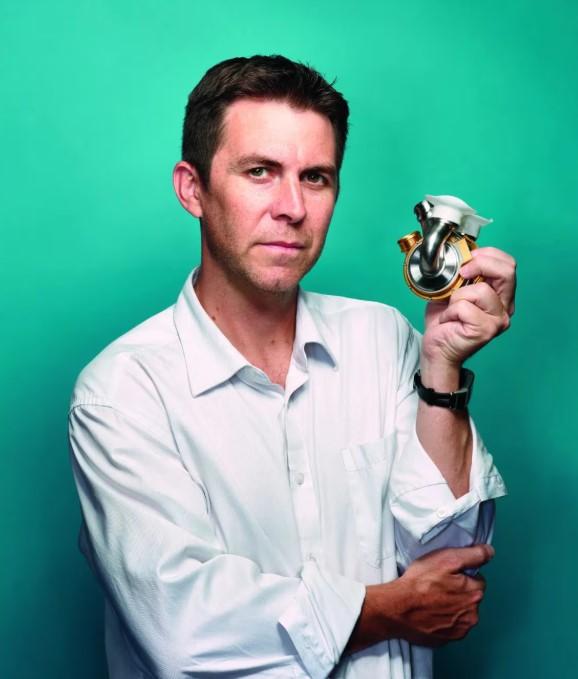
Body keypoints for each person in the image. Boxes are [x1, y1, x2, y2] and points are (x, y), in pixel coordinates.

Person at [68, 55, 516, 679]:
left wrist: (441, 367)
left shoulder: (384, 338)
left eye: (315, 178)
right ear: (192, 189)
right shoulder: (122, 392)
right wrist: (386, 609)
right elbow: (184, 631)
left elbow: (452, 567)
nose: (292, 207)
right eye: (260, 172)